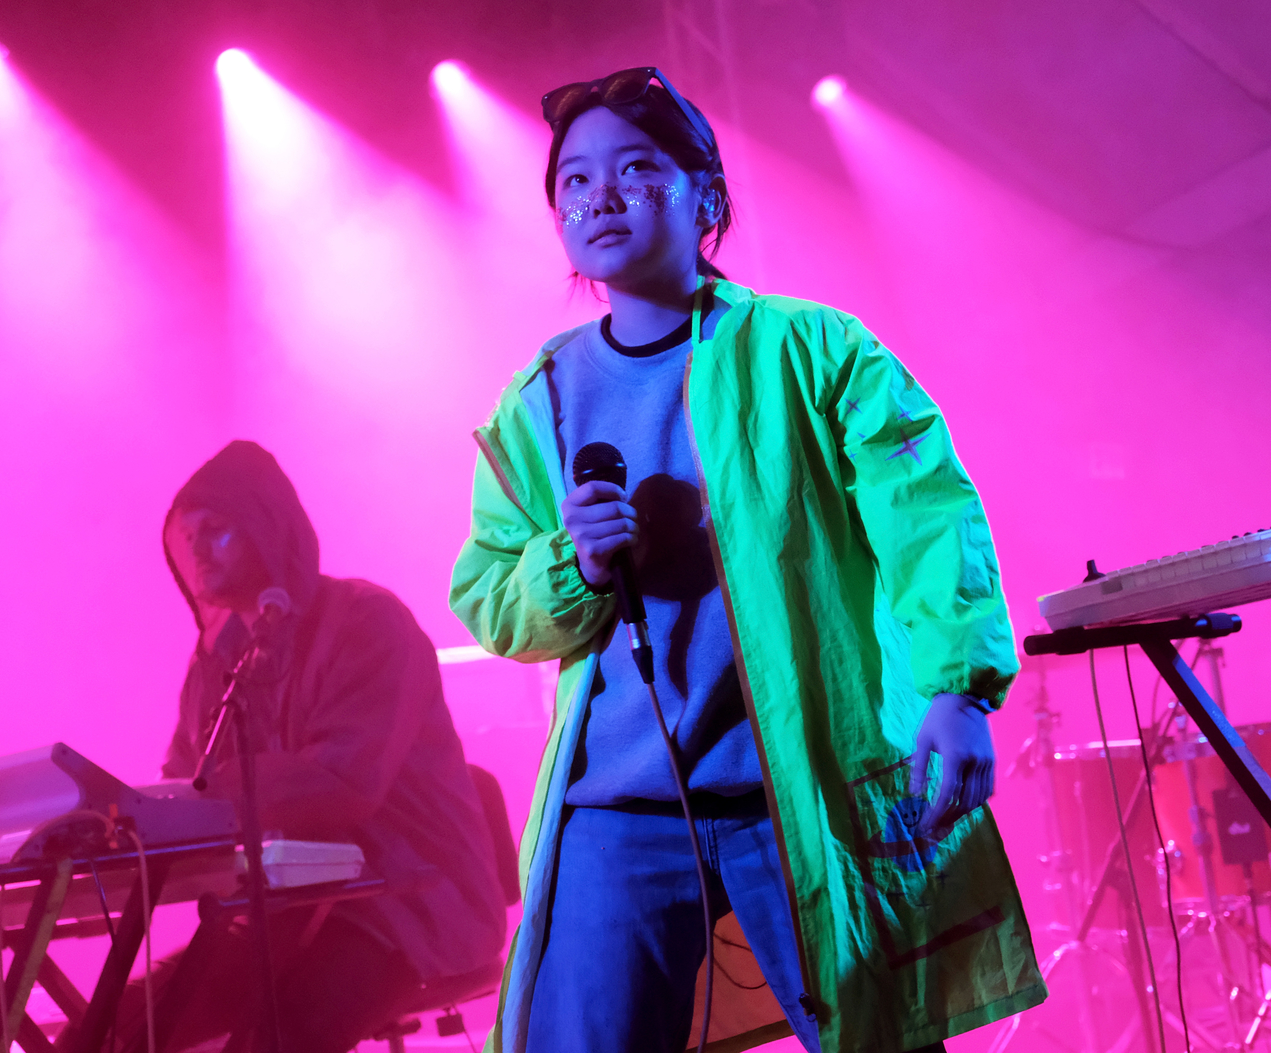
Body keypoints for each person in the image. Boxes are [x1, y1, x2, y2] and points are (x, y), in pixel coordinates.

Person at [448, 68, 1046, 1053]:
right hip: (617, 808)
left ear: (705, 195)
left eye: (635, 169)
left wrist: (960, 690)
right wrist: (575, 568)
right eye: (575, 182)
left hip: (799, 790)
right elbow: (489, 595)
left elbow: (926, 515)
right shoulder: (536, 404)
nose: (600, 196)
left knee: (877, 1036)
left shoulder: (815, 352)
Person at [140, 439, 506, 1052]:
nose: (196, 549)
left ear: (267, 528)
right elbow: (184, 784)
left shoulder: (366, 622)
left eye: (217, 529)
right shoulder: (219, 657)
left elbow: (343, 786)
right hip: (284, 913)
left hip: (406, 903)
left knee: (276, 1039)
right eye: (186, 536)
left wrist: (214, 792)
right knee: (121, 1029)